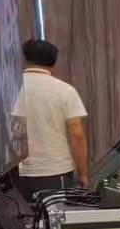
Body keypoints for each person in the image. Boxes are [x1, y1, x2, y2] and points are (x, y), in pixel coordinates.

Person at [10, 38, 88, 199]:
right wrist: (83, 173)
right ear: (53, 62)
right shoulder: (65, 90)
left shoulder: (9, 90)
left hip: (16, 175)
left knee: (21, 216)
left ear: (25, 59)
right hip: (57, 172)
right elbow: (77, 134)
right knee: (56, 215)